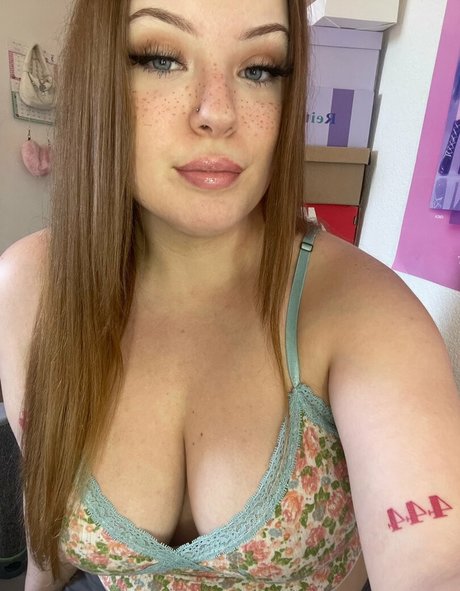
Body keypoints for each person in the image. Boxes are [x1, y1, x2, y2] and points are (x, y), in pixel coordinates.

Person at [0, 0, 459, 590]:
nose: (218, 113)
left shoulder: (366, 314)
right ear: (97, 76)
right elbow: (47, 533)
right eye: (161, 59)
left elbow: (436, 564)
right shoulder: (29, 288)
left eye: (259, 68)